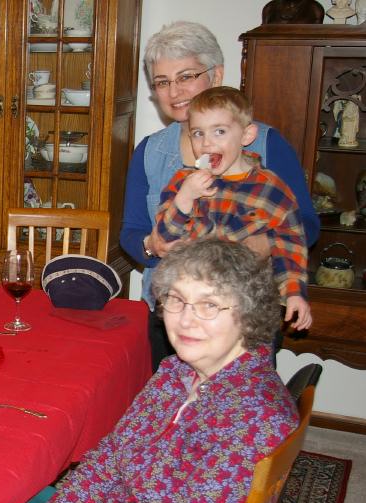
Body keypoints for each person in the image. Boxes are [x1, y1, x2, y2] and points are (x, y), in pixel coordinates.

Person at [0, 238, 298, 503]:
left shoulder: (250, 421)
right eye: (176, 299)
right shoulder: (177, 374)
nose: (186, 319)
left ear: (248, 313)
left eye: (208, 305)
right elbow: (108, 462)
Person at [118, 21, 319, 370]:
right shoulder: (150, 151)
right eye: (162, 82)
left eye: (186, 76)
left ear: (217, 74)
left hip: (243, 313)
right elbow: (131, 233)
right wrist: (153, 246)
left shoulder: (266, 145)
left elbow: (304, 225)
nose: (175, 91)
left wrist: (262, 247)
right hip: (173, 312)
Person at [155, 86, 312, 331]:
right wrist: (185, 197)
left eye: (219, 131)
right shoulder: (182, 183)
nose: (207, 142)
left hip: (247, 310)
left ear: (246, 135)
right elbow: (164, 238)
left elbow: (290, 244)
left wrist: (294, 294)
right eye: (197, 133)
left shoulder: (271, 189)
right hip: (190, 304)